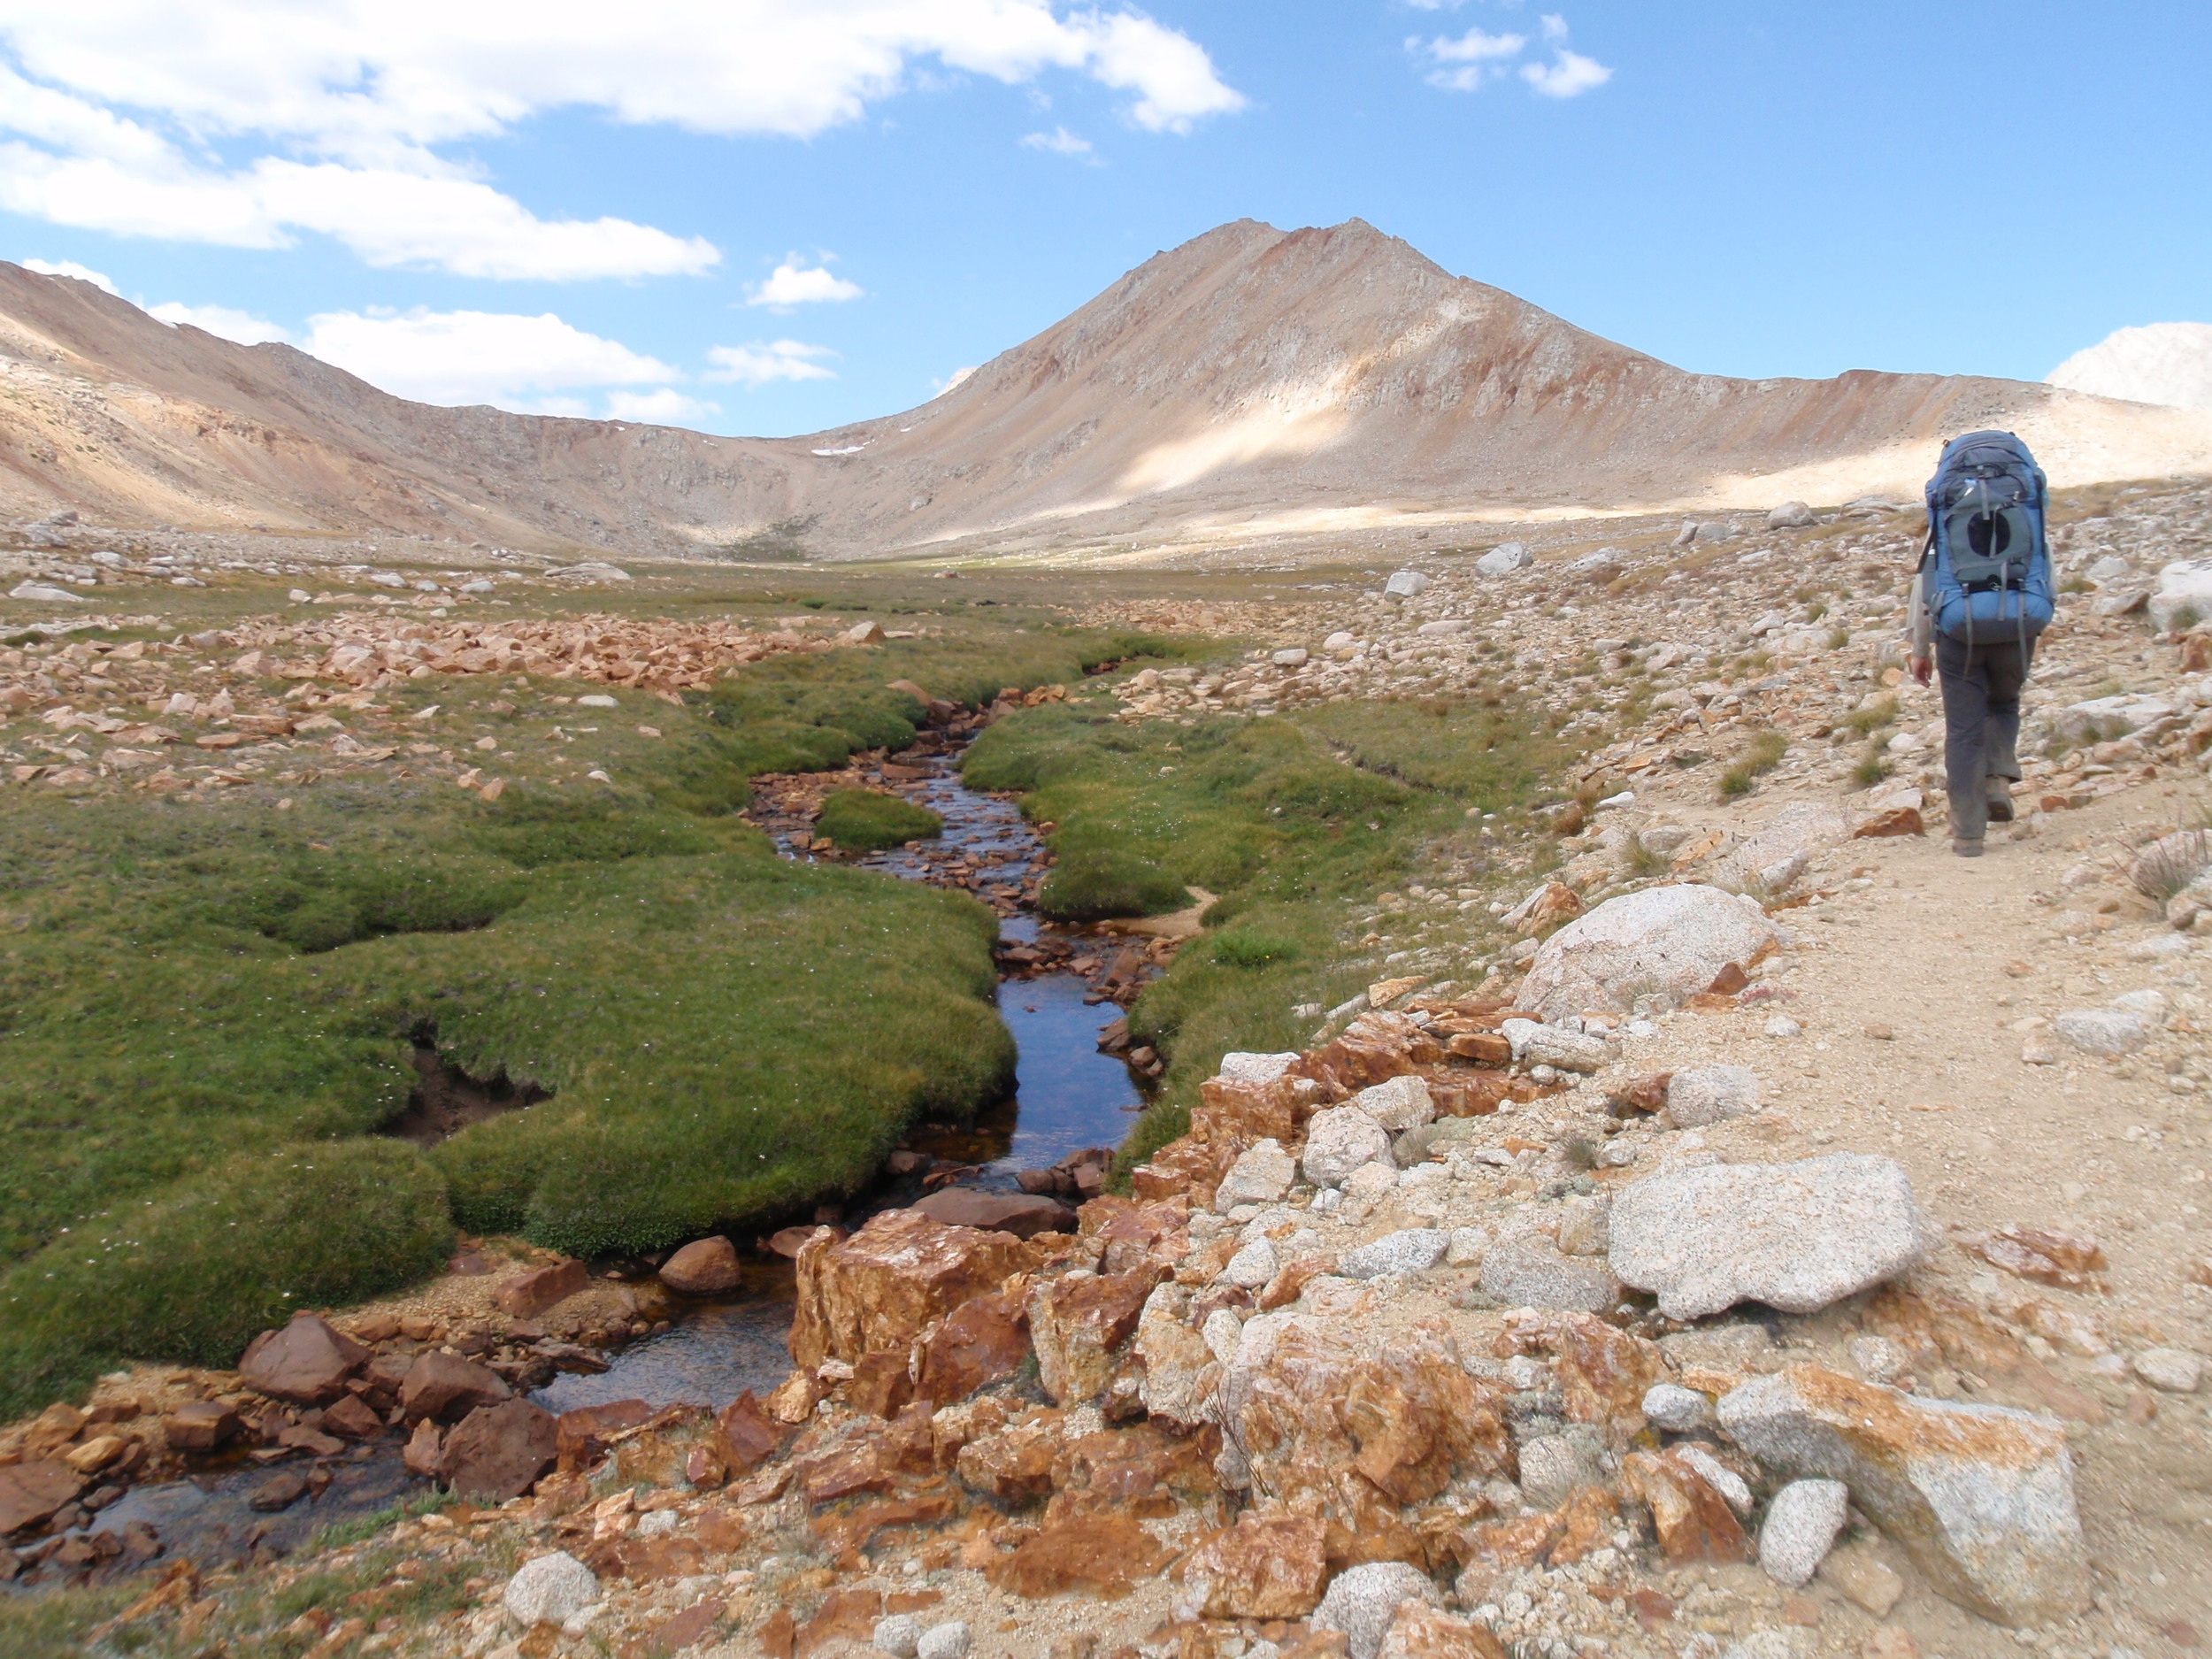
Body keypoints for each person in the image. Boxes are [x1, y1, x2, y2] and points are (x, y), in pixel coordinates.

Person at [1907, 430, 2055, 857]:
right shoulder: (2027, 516)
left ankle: (1969, 834)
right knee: (2004, 703)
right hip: (2019, 627)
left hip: (1959, 632)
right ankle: (1997, 783)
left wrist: (1920, 649)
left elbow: (1925, 590)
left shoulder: (1946, 527)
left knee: (1964, 731)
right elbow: (2049, 577)